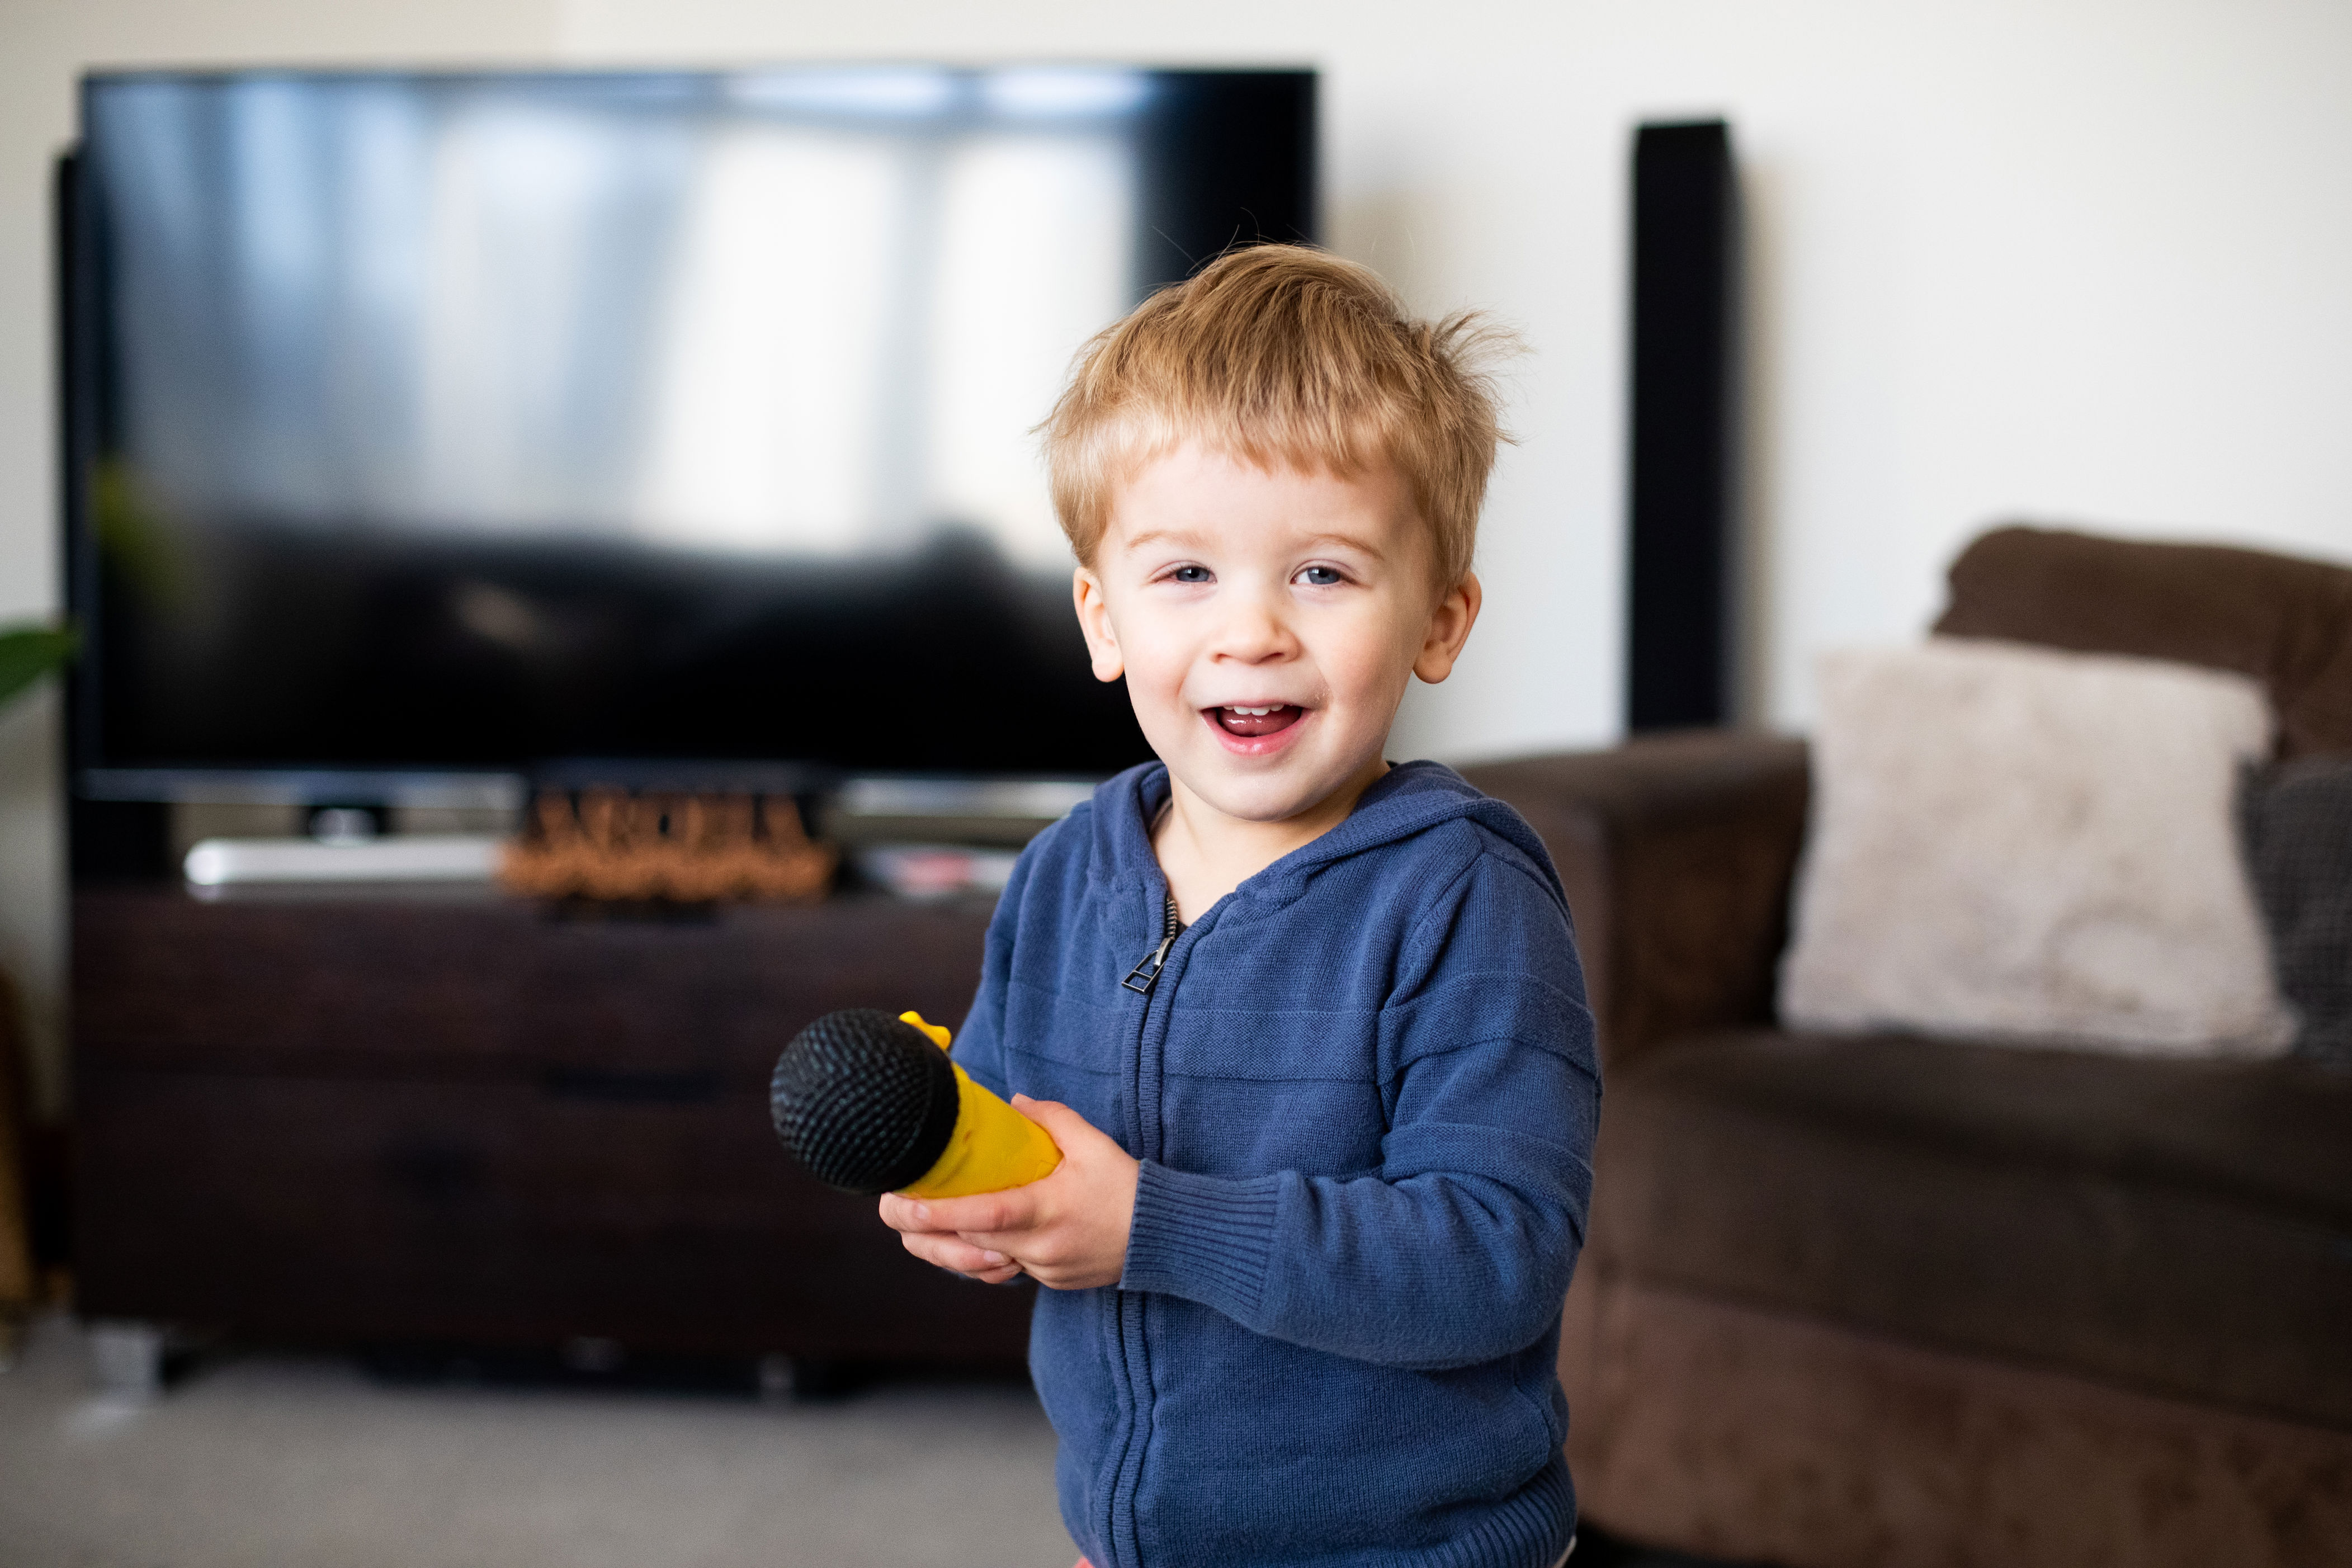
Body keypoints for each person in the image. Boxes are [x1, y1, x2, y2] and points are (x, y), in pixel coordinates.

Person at [878, 244, 1597, 1568]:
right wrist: (959, 1192)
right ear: (1102, 620)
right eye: (1186, 575)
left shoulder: (1463, 898)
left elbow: (1496, 1257)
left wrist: (1149, 1223)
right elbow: (1001, 1113)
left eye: (1321, 573)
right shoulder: (1061, 878)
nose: (1251, 629)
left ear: (1439, 622)